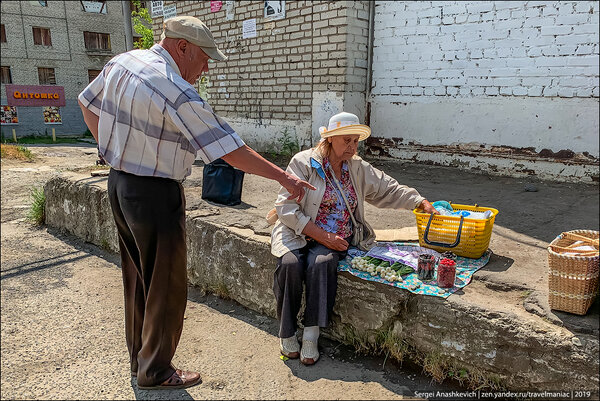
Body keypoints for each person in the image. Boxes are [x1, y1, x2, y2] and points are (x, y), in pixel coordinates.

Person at [77, 16, 314, 390]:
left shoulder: (124, 62)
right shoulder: (173, 88)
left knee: (138, 277)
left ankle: (140, 356)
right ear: (181, 47)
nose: (205, 68)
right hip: (155, 193)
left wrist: (109, 149)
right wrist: (284, 177)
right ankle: (155, 370)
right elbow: (231, 150)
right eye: (204, 58)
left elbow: (87, 103)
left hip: (119, 184)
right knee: (166, 285)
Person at [270, 111, 437, 365]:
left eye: (355, 141)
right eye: (346, 140)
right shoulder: (303, 163)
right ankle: (287, 332)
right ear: (330, 140)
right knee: (290, 265)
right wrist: (321, 235)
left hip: (337, 236)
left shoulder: (357, 168)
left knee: (322, 264)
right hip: (298, 231)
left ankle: (312, 335)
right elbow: (285, 208)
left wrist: (418, 200)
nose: (352, 146)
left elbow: (387, 188)